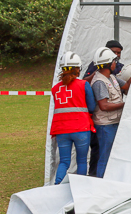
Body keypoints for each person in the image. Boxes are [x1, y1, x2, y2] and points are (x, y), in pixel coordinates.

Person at [50, 51, 96, 184]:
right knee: (81, 160)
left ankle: (57, 185)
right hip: (81, 128)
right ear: (78, 68)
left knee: (64, 162)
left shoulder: (55, 89)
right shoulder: (83, 85)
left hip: (61, 130)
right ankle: (80, 187)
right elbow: (91, 107)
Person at [90, 47, 126, 178]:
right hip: (105, 125)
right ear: (109, 64)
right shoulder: (100, 82)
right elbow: (103, 105)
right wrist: (125, 105)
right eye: (114, 61)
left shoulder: (111, 77)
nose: (116, 63)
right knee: (105, 157)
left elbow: (126, 87)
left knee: (111, 157)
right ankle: (100, 183)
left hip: (113, 122)